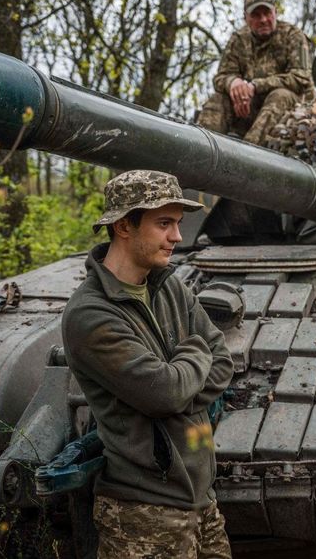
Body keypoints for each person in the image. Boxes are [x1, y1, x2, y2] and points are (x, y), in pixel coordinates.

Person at [62, 169, 234, 559]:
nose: (177, 237)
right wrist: (193, 353)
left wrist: (177, 384)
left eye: (177, 224)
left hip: (202, 500)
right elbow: (164, 393)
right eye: (163, 223)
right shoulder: (91, 314)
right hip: (143, 515)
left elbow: (222, 363)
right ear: (124, 226)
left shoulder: (168, 284)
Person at [197, 0, 313, 145]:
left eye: (267, 13)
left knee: (280, 96)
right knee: (218, 99)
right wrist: (233, 83)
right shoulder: (239, 40)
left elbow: (301, 78)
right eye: (256, 15)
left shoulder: (292, 35)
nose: (263, 19)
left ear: (275, 12)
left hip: (293, 110)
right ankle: (199, 149)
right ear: (246, 18)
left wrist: (255, 86)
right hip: (250, 109)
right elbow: (222, 76)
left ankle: (248, 158)